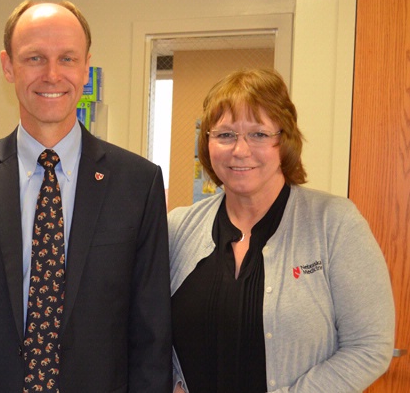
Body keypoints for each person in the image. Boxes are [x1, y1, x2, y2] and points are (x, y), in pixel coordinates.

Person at [0, 0, 172, 393]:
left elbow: (151, 336)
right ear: (7, 66)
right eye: (34, 58)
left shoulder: (138, 184)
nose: (52, 75)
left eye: (67, 58)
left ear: (85, 66)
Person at [168, 68, 395, 392]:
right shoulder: (177, 228)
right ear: (207, 143)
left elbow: (369, 346)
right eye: (225, 134)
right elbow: (147, 330)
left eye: (259, 134)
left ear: (283, 140)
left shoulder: (335, 224)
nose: (240, 150)